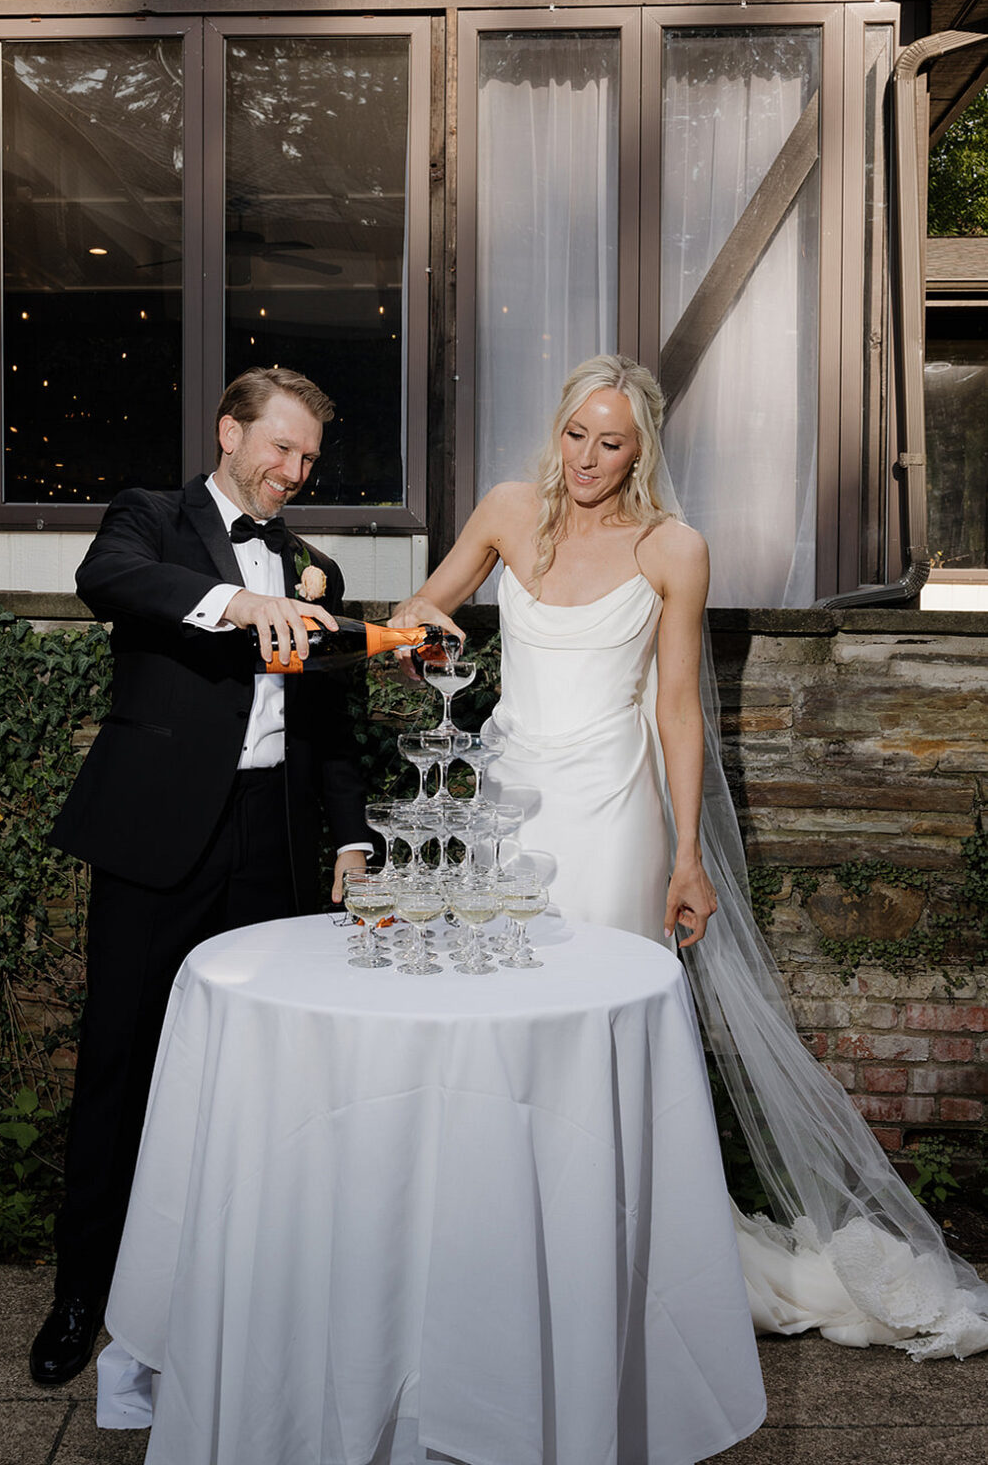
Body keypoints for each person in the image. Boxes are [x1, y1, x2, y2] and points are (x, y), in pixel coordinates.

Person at [391, 352, 988, 1361]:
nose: (585, 457)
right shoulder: (504, 509)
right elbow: (419, 607)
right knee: (493, 1006)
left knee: (597, 1022)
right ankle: (500, 1230)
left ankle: (600, 1242)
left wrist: (684, 855)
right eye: (575, 433)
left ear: (640, 449)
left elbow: (675, 709)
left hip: (611, 809)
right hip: (506, 798)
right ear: (559, 428)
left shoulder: (672, 548)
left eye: (609, 441)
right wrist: (417, 632)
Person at [30, 365, 370, 1386]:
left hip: (269, 843)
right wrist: (236, 601)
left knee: (262, 1076)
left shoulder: (313, 568)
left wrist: (348, 834)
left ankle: (243, 1289)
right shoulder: (148, 518)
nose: (292, 471)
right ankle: (81, 1294)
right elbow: (110, 581)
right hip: (154, 840)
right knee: (118, 1067)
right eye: (278, 448)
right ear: (229, 432)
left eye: (307, 458)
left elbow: (328, 720)